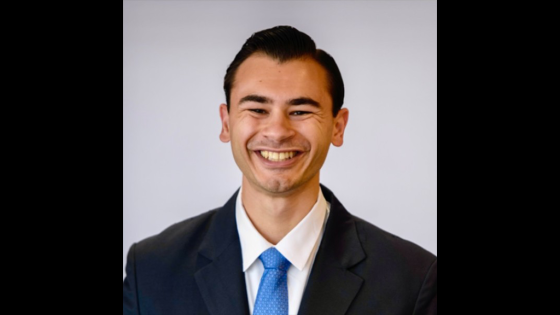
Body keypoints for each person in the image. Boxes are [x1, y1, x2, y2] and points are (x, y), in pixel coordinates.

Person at [123, 25, 437, 315]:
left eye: (300, 111)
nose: (277, 131)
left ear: (338, 127)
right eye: (257, 109)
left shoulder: (413, 279)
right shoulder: (151, 269)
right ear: (226, 123)